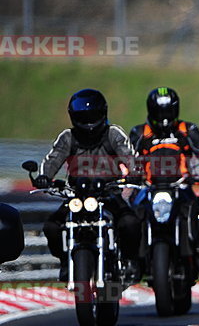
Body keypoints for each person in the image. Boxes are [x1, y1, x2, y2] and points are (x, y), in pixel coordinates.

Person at [37, 89, 141, 282]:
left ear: (103, 113)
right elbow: (53, 159)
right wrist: (44, 176)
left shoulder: (113, 133)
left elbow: (128, 154)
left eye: (92, 116)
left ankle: (130, 261)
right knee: (51, 226)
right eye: (82, 117)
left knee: (130, 223)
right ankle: (65, 261)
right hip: (76, 195)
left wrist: (135, 172)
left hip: (109, 193)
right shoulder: (68, 137)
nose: (88, 121)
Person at [128, 86, 199, 283]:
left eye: (168, 111)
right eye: (159, 112)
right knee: (132, 218)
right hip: (149, 187)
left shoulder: (187, 130)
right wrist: (129, 175)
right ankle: (134, 261)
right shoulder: (140, 132)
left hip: (181, 186)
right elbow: (127, 159)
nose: (164, 116)